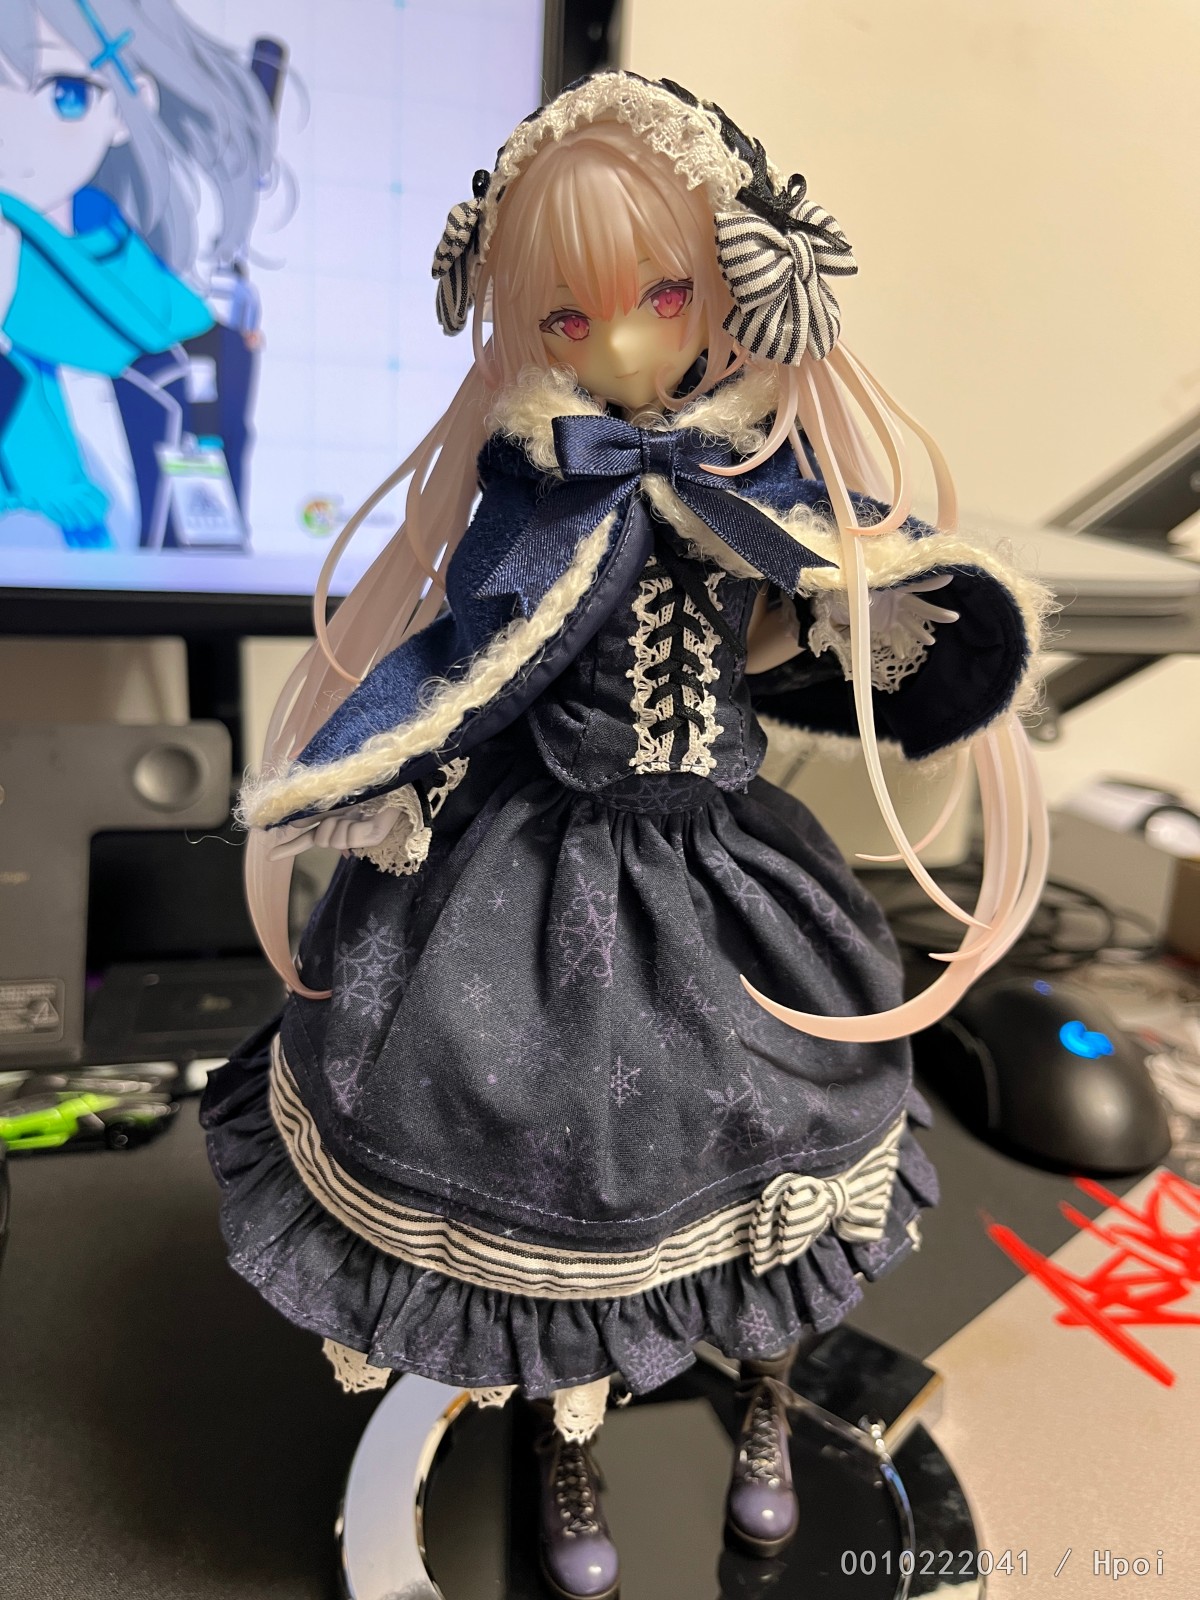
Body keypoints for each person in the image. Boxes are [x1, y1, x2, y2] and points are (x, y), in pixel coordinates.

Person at [202, 72, 1049, 1600]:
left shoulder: (756, 480)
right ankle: (566, 1429)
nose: (623, 349)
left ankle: (770, 1398)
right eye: (567, 318)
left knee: (780, 1135)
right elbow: (465, 657)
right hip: (535, 887)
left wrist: (838, 614)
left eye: (664, 299)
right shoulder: (536, 490)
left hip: (726, 871)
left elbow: (821, 614)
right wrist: (372, 771)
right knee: (547, 1155)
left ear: (740, 291)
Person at [0, 0, 277, 548]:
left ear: (128, 108)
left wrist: (227, 365)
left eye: (65, 94)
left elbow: (207, 531)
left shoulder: (172, 307)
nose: (15, 132)